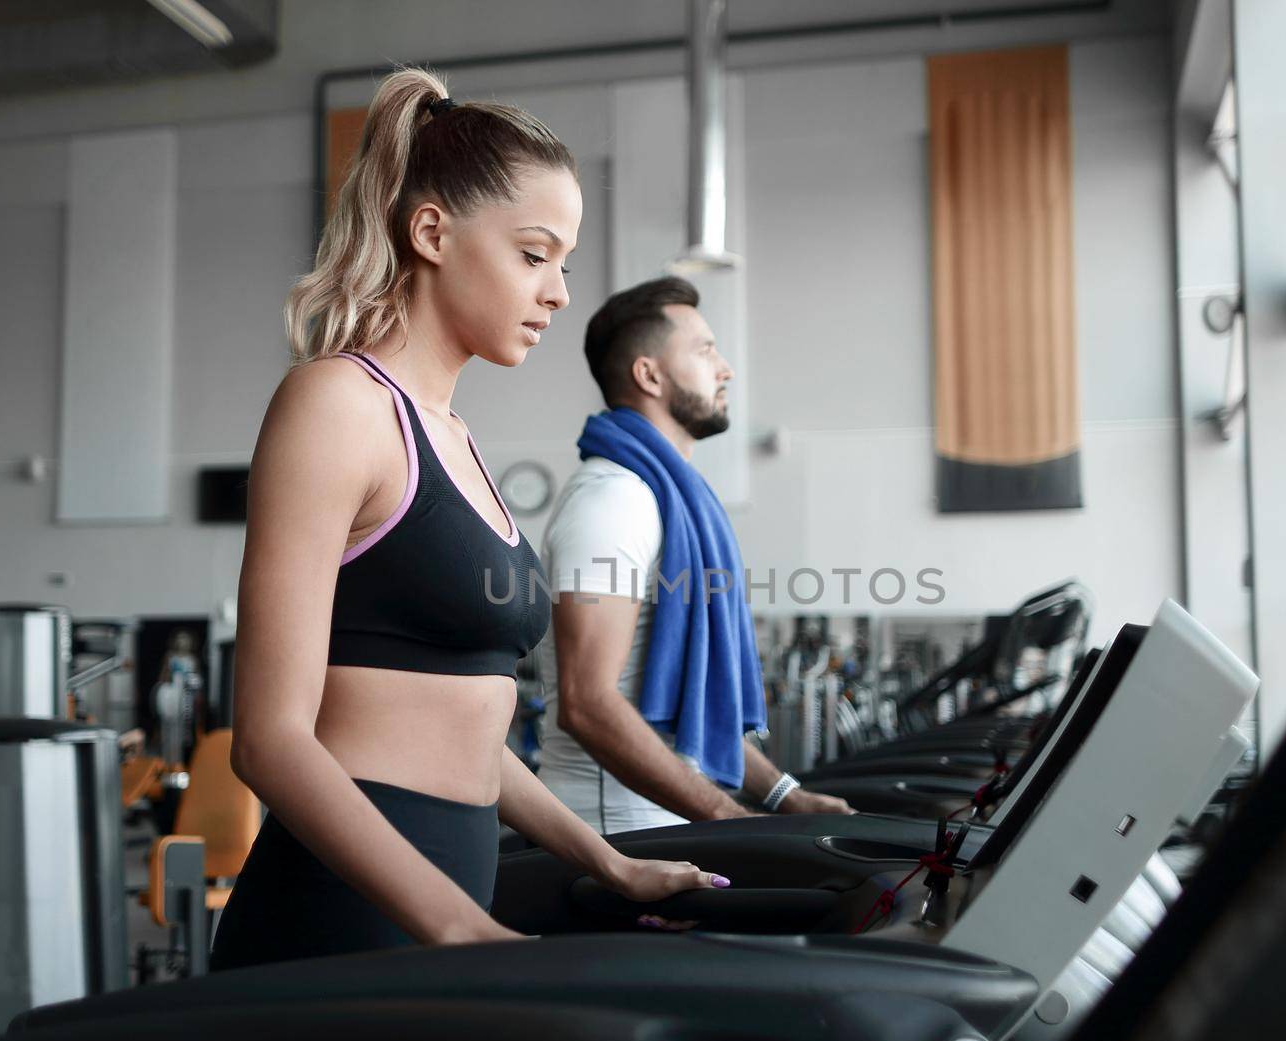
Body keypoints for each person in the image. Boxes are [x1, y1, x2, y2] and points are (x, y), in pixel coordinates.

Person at [211, 68, 725, 971]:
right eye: (535, 255)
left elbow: (470, 734)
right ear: (432, 232)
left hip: (452, 890)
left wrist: (608, 863)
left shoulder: (451, 433)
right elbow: (269, 740)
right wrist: (454, 926)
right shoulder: (337, 406)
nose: (560, 292)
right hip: (348, 912)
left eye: (563, 262)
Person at [537, 277, 854, 834]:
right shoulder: (612, 500)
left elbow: (693, 707)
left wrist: (783, 797)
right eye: (706, 351)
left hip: (665, 820)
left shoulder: (666, 499)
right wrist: (731, 821)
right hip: (614, 830)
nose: (725, 369)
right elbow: (586, 703)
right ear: (649, 374)